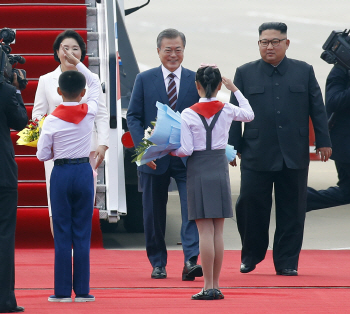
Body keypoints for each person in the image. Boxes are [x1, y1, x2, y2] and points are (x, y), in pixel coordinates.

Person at [228, 22, 332, 276]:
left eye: (275, 41)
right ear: (259, 44)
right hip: (256, 151)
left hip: (293, 153)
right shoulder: (245, 73)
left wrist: (324, 141)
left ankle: (286, 261)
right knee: (250, 205)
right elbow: (234, 113)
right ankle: (251, 255)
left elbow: (317, 108)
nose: (270, 46)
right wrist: (232, 147)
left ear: (287, 43)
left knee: (293, 209)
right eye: (264, 42)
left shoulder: (304, 71)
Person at [171, 65, 254, 300]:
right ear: (219, 86)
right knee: (218, 231)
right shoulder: (227, 108)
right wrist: (235, 89)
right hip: (219, 167)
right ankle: (215, 285)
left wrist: (169, 151)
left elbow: (186, 149)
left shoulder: (188, 113)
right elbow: (249, 114)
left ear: (196, 85)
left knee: (204, 231)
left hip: (198, 168)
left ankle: (207, 286)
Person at [127, 28, 203, 280]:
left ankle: (191, 260)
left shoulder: (195, 80)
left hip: (186, 157)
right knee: (153, 213)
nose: (173, 55)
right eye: (168, 50)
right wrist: (144, 151)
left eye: (178, 50)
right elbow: (134, 117)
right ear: (158, 51)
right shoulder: (144, 79)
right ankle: (158, 262)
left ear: (184, 51)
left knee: (191, 210)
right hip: (153, 158)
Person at [37, 46, 99, 302]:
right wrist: (78, 62)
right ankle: (82, 291)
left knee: (62, 231)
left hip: (61, 174)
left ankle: (62, 292)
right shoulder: (90, 111)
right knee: (82, 231)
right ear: (82, 93)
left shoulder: (51, 120)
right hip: (84, 171)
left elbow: (42, 155)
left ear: (59, 92)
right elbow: (95, 81)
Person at [32, 30, 109, 235]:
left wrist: (103, 143)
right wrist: (47, 134)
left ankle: (79, 250)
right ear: (57, 52)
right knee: (56, 203)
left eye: (75, 48)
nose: (70, 53)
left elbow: (101, 113)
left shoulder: (91, 79)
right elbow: (38, 114)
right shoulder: (46, 80)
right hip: (56, 152)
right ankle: (64, 250)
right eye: (65, 48)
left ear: (82, 53)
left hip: (86, 150)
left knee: (83, 202)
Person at [0, 71, 27, 313]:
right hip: (2, 174)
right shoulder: (7, 91)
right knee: (4, 235)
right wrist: (17, 89)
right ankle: (5, 298)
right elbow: (20, 121)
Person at [307, 64, 350, 211]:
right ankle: (300, 197)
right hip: (346, 144)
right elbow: (333, 101)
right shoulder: (342, 68)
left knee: (347, 191)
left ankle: (301, 198)